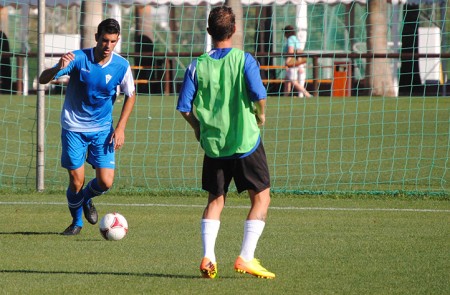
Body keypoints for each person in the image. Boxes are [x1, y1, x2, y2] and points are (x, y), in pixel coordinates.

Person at [177, 6, 275, 279]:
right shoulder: (244, 60)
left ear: (209, 32)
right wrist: (261, 114)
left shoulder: (197, 65)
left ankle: (209, 256)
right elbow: (258, 94)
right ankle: (246, 256)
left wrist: (198, 128)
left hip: (214, 145)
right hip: (245, 142)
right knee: (261, 198)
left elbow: (184, 107)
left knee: (215, 200)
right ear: (234, 30)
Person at [39, 18, 136, 236]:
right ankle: (76, 223)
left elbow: (131, 94)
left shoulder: (121, 65)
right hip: (74, 128)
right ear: (96, 38)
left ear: (117, 40)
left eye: (112, 41)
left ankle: (87, 198)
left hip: (102, 130)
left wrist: (120, 128)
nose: (107, 46)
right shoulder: (78, 58)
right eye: (104, 40)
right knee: (76, 181)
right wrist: (57, 67)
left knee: (105, 181)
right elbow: (43, 79)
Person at [283, 25, 311, 98]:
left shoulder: (290, 39)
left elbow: (291, 51)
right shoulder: (296, 39)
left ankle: (307, 95)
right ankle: (285, 96)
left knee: (293, 81)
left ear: (287, 33)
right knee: (287, 80)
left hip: (292, 64)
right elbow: (299, 51)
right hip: (297, 63)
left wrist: (287, 62)